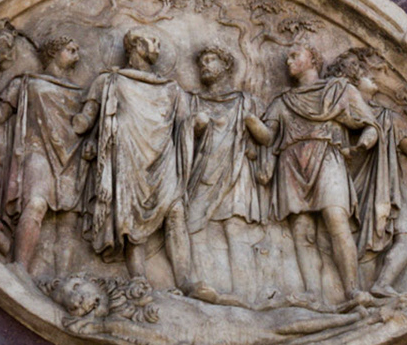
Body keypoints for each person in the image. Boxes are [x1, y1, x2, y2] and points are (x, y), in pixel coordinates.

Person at [259, 44, 380, 307]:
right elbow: (268, 136)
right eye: (288, 57)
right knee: (301, 229)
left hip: (327, 156)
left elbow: (369, 124)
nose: (288, 61)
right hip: (291, 163)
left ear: (313, 59)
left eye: (295, 56)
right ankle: (312, 293)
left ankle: (352, 290)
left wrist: (363, 143)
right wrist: (249, 122)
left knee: (336, 219)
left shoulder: (338, 90)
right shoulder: (283, 101)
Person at [79, 30, 196, 292]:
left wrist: (197, 125)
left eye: (158, 41)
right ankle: (138, 277)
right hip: (128, 154)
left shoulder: (171, 89)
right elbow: (88, 119)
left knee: (176, 210)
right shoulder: (111, 81)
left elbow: (185, 123)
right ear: (135, 45)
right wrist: (90, 135)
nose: (157, 46)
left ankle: (184, 279)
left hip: (163, 157)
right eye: (151, 41)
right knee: (130, 216)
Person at [327, 47, 407, 297]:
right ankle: (370, 289)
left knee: (404, 240)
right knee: (381, 243)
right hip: (361, 189)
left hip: (378, 188)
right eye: (365, 73)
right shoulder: (354, 116)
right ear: (352, 82)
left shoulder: (382, 117)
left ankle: (378, 285)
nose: (372, 77)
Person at [0, 34, 91, 270]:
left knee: (68, 221)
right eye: (70, 49)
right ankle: (20, 267)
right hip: (37, 150)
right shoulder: (27, 83)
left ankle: (63, 277)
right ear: (53, 52)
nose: (77, 55)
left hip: (72, 155)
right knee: (35, 204)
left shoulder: (80, 92)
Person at [183, 47, 269, 301]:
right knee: (195, 226)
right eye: (202, 61)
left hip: (236, 170)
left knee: (235, 228)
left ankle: (245, 294)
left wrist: (252, 122)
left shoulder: (245, 101)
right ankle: (204, 286)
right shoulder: (193, 101)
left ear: (226, 65)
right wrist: (194, 126)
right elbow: (180, 137)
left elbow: (267, 139)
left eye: (211, 60)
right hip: (201, 171)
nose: (205, 65)